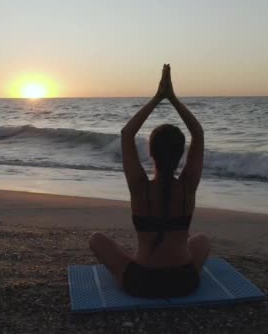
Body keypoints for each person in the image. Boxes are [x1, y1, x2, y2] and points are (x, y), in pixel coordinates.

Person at [88, 64, 210, 298]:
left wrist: (157, 98)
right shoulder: (187, 187)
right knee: (202, 240)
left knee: (96, 240)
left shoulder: (139, 188)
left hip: (141, 282)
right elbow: (198, 133)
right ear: (180, 155)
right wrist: (172, 98)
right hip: (184, 281)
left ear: (151, 153)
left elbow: (127, 134)